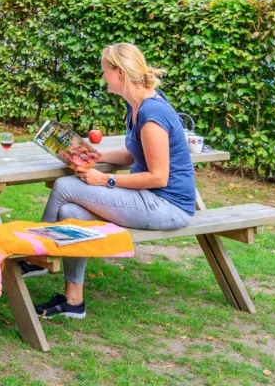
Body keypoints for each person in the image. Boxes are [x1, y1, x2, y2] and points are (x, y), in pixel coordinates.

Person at [32, 42, 196, 319]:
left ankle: (36, 255)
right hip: (151, 199)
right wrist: (95, 156)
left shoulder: (152, 113)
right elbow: (135, 155)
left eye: (105, 71)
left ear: (119, 72)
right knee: (72, 213)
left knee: (64, 186)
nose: (103, 77)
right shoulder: (137, 106)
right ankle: (74, 302)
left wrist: (105, 180)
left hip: (167, 205)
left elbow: (159, 176)